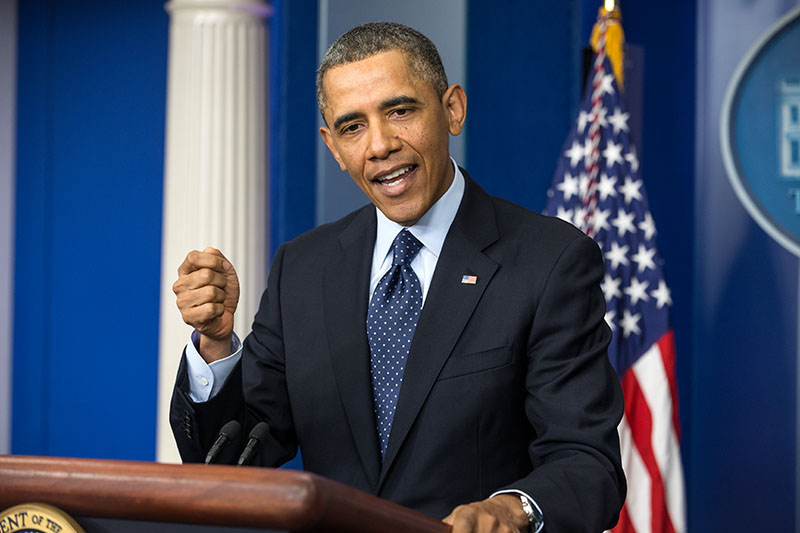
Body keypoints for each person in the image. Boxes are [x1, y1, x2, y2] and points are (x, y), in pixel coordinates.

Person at [170, 22, 625, 533]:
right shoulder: (303, 266)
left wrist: (512, 508)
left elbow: (587, 462)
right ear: (334, 148)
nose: (380, 144)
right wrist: (215, 345)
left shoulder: (551, 261)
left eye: (400, 111)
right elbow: (232, 462)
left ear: (452, 109)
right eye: (352, 127)